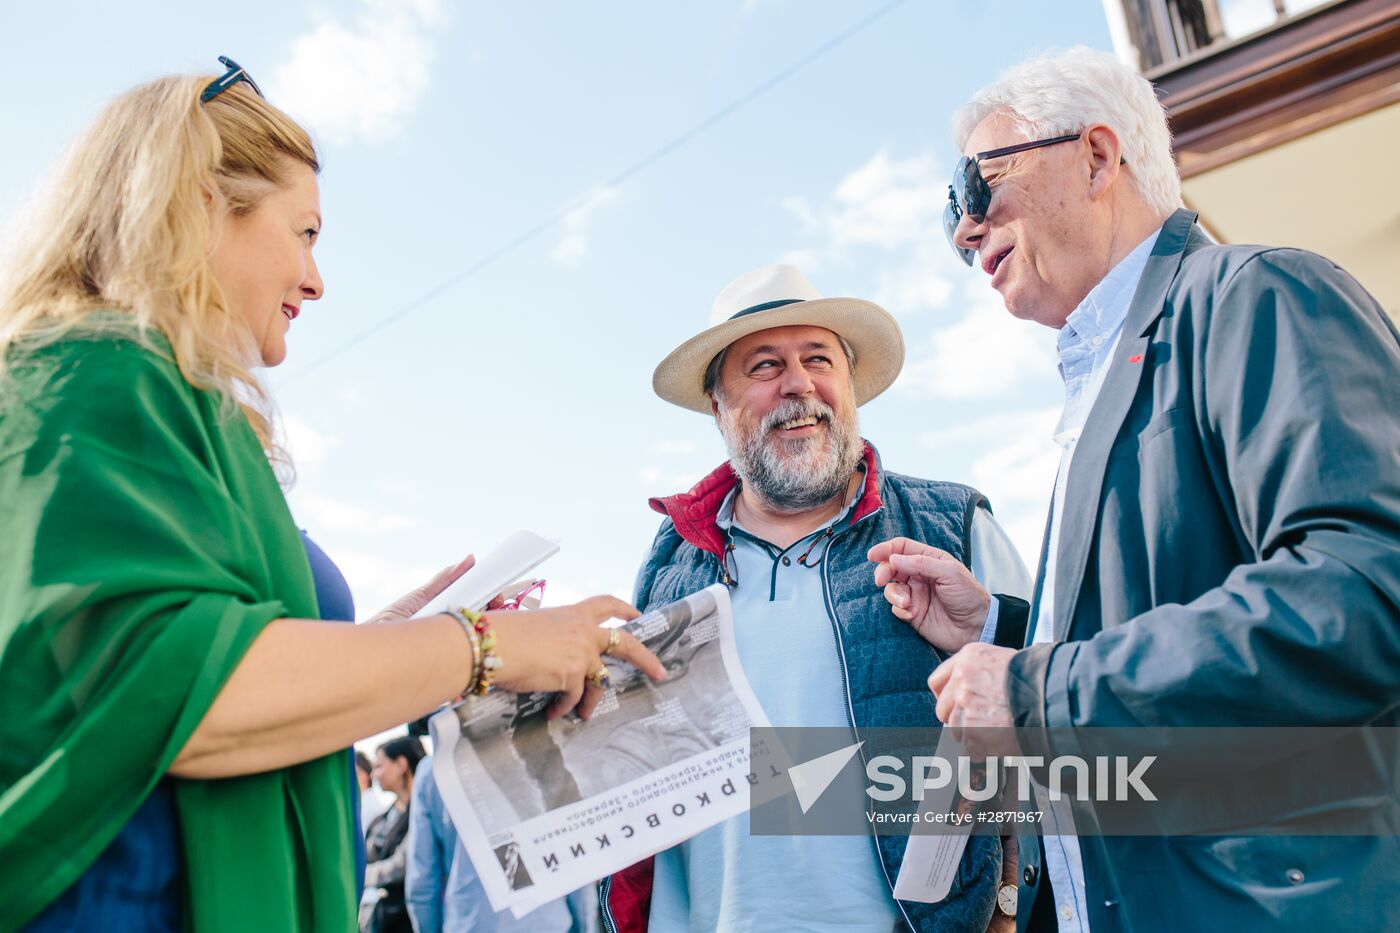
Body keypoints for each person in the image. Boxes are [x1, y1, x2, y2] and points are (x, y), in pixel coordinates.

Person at [0, 58, 665, 932]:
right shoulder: (91, 373)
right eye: (304, 232)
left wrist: (389, 642)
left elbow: (207, 656)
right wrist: (484, 646)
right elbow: (178, 693)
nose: (317, 279)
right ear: (201, 203)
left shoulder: (166, 401)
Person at [877, 46, 1400, 931]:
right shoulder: (1115, 372)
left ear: (1095, 157)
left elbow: (1366, 593)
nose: (965, 229)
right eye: (951, 210)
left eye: (978, 183)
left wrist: (1038, 693)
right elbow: (1167, 613)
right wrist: (1002, 630)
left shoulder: (1255, 294)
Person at [600, 264, 1034, 932]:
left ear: (849, 386)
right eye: (765, 365)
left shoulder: (954, 526)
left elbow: (1062, 712)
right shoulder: (669, 564)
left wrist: (1008, 907)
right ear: (718, 406)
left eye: (818, 359)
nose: (798, 383)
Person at [405, 753, 591, 932]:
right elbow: (575, 858)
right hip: (548, 922)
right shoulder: (538, 751)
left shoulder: (433, 771)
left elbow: (422, 879)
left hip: (471, 923)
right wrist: (584, 923)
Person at [362, 737, 426, 933]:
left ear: (401, 765)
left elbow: (401, 865)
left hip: (408, 920)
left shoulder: (424, 813)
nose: (374, 774)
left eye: (379, 766)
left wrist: (360, 875)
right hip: (382, 920)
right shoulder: (382, 819)